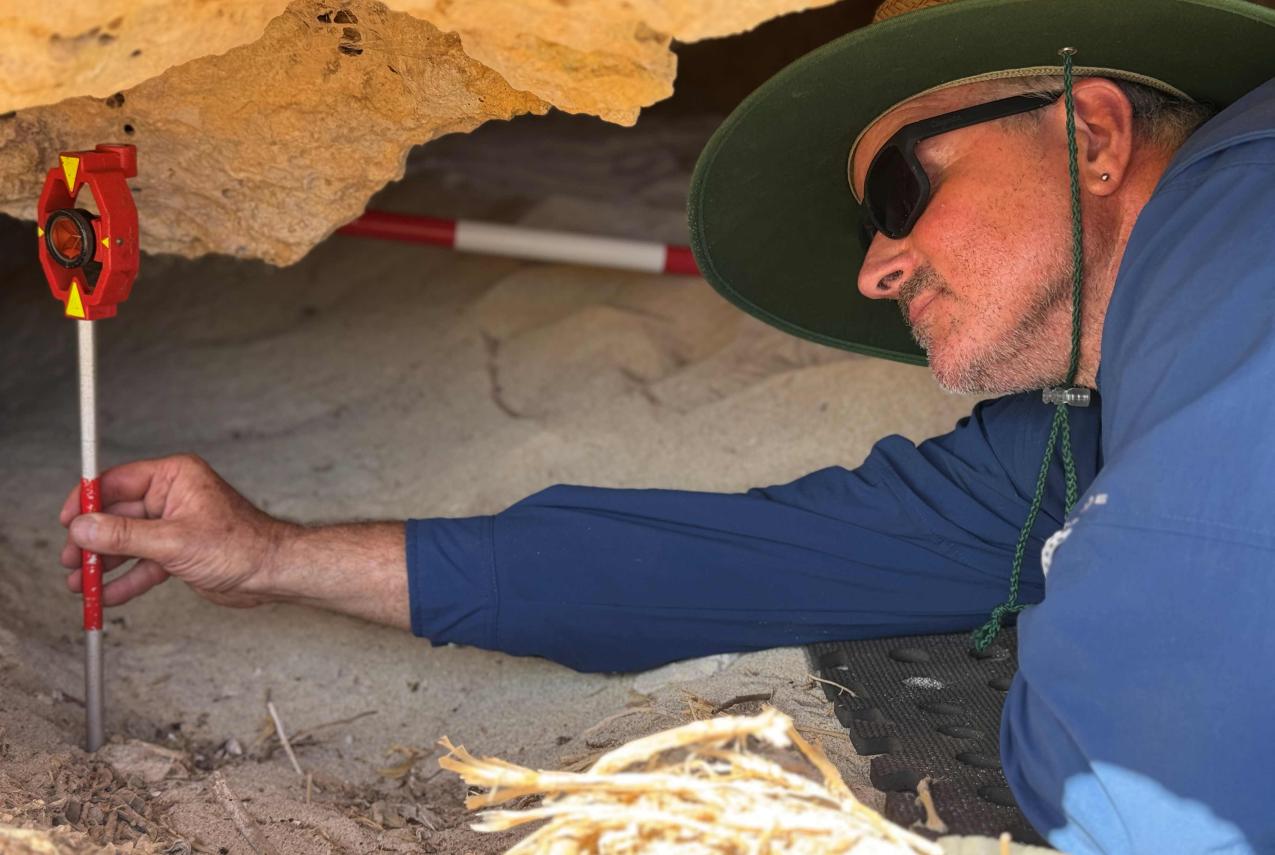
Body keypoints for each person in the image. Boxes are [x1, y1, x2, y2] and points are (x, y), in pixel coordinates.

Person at [59, 0, 1275, 850]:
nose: (876, 269)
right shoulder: (1092, 423)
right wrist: (271, 558)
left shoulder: (1246, 210)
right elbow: (745, 563)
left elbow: (1151, 796)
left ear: (1093, 132)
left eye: (901, 192)